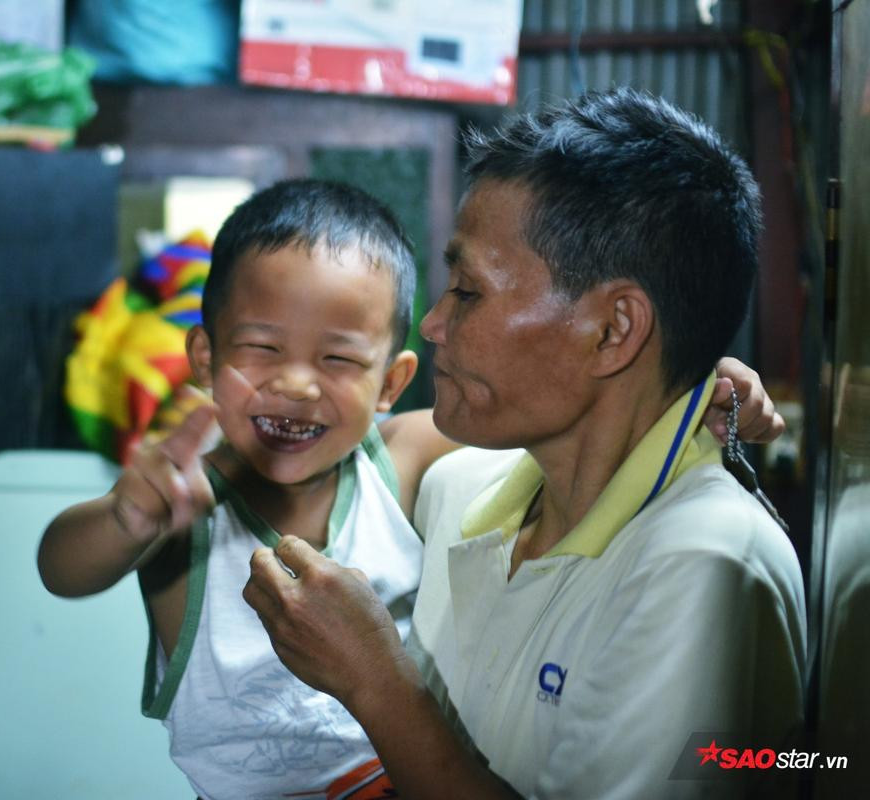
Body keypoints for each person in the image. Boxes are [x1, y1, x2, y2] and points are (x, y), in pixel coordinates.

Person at [39, 177, 783, 800]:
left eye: (337, 360)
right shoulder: (183, 509)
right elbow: (61, 565)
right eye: (262, 350)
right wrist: (124, 516)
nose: (296, 386)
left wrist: (692, 388)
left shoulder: (396, 458)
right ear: (205, 356)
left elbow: (577, 405)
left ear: (390, 383)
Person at [243, 89, 806, 800]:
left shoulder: (702, 562)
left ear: (612, 331)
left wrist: (377, 685)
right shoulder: (462, 491)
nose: (434, 324)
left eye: (468, 290)